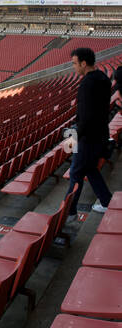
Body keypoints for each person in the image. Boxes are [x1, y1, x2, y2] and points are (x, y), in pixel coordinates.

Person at [68, 47, 113, 215]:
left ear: (84, 63)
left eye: (75, 63)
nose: (73, 67)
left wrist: (73, 139)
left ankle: (69, 211)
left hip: (87, 138)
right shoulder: (103, 78)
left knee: (75, 172)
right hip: (101, 134)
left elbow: (85, 117)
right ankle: (106, 200)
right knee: (90, 169)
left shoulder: (87, 84)